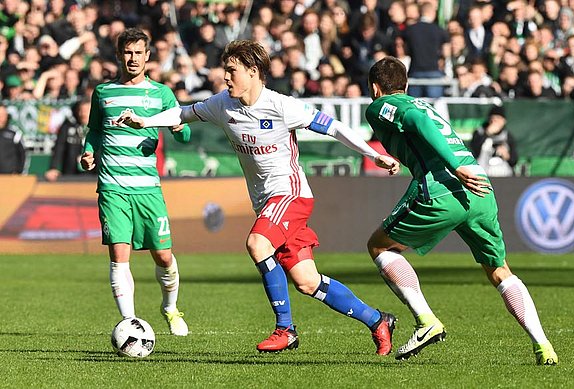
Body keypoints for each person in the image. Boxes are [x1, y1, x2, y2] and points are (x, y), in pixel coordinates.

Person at [117, 39, 401, 354]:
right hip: (267, 204)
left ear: (253, 72)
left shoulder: (282, 106)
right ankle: (378, 321)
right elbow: (182, 114)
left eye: (231, 71)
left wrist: (373, 154)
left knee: (256, 243)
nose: (225, 78)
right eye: (225, 71)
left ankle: (285, 329)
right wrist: (145, 121)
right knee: (307, 281)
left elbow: (333, 127)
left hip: (290, 194)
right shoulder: (222, 104)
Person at [363, 56, 558, 365]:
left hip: (443, 186)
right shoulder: (421, 102)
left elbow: (418, 122)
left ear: (375, 88)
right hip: (479, 186)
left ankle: (426, 321)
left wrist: (454, 168)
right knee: (499, 270)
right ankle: (544, 346)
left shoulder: (382, 105)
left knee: (378, 245)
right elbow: (422, 125)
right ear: (407, 84)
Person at [79, 28, 191, 336]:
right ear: (119, 55)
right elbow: (95, 131)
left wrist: (180, 129)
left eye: (138, 53)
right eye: (127, 52)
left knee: (164, 256)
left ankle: (170, 308)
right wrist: (88, 153)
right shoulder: (103, 93)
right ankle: (130, 324)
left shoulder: (161, 94)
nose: (133, 58)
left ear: (147, 56)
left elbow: (184, 135)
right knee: (119, 255)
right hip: (113, 187)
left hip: (148, 189)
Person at [45, 98, 93, 182]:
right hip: (70, 174)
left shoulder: (99, 129)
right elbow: (59, 148)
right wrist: (53, 167)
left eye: (87, 110)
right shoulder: (67, 126)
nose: (83, 114)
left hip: (93, 175)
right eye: (81, 110)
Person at [470, 104, 519, 177]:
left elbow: (514, 160)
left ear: (503, 121)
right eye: (493, 119)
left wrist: (507, 155)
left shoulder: (507, 136)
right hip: (483, 176)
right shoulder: (480, 133)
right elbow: (474, 152)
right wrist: (487, 133)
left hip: (504, 177)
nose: (495, 122)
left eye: (498, 119)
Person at [0, 105, 26, 174]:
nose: (1, 118)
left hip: (10, 177)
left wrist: (19, 171)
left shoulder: (14, 133)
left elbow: (23, 154)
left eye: (3, 115)